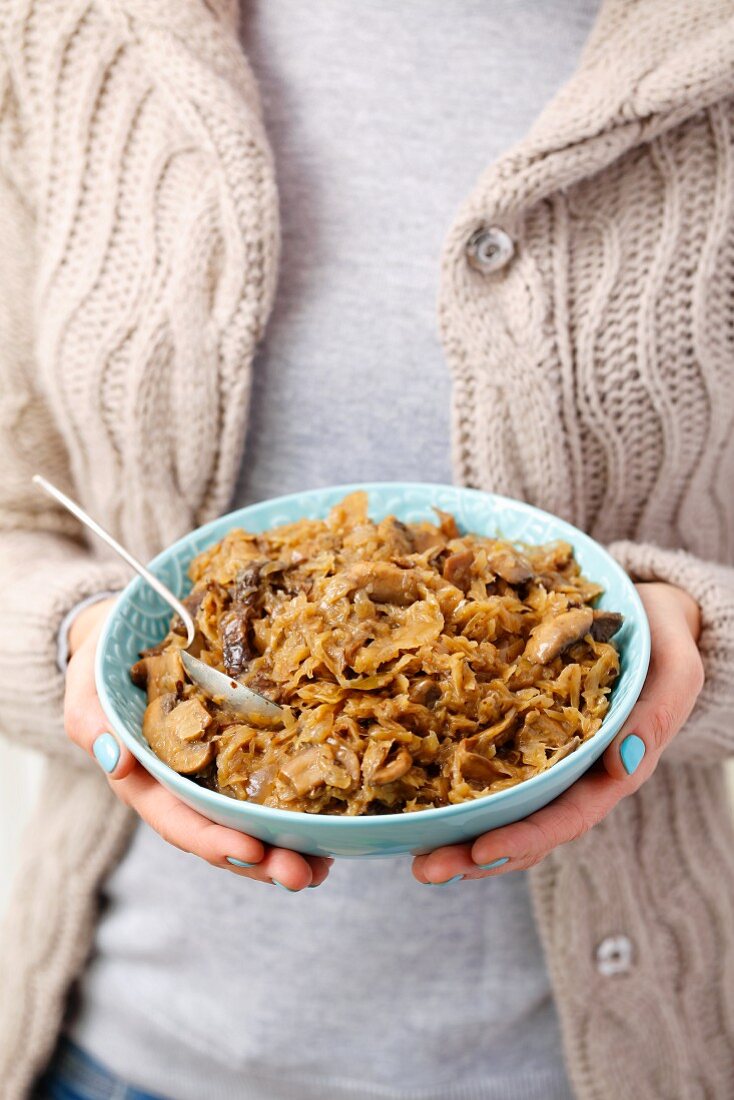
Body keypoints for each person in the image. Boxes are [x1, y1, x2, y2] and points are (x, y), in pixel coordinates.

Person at [1, 1, 733, 1098]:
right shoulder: (67, 23)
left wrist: (693, 646)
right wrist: (75, 639)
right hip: (122, 1046)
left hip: (594, 1063)